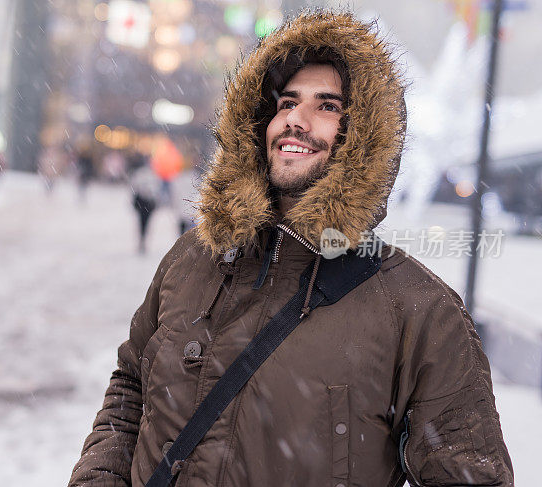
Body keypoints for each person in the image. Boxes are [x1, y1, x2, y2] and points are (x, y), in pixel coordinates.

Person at [69, 11, 512, 486]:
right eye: (286, 102)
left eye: (327, 106)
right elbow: (131, 385)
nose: (295, 121)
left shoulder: (419, 311)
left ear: (363, 137)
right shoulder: (194, 257)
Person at [128, 155, 161, 254]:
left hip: (145, 202)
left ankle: (142, 239)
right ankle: (143, 239)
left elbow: (134, 187)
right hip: (145, 202)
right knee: (144, 222)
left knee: (143, 222)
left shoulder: (148, 174)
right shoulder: (148, 174)